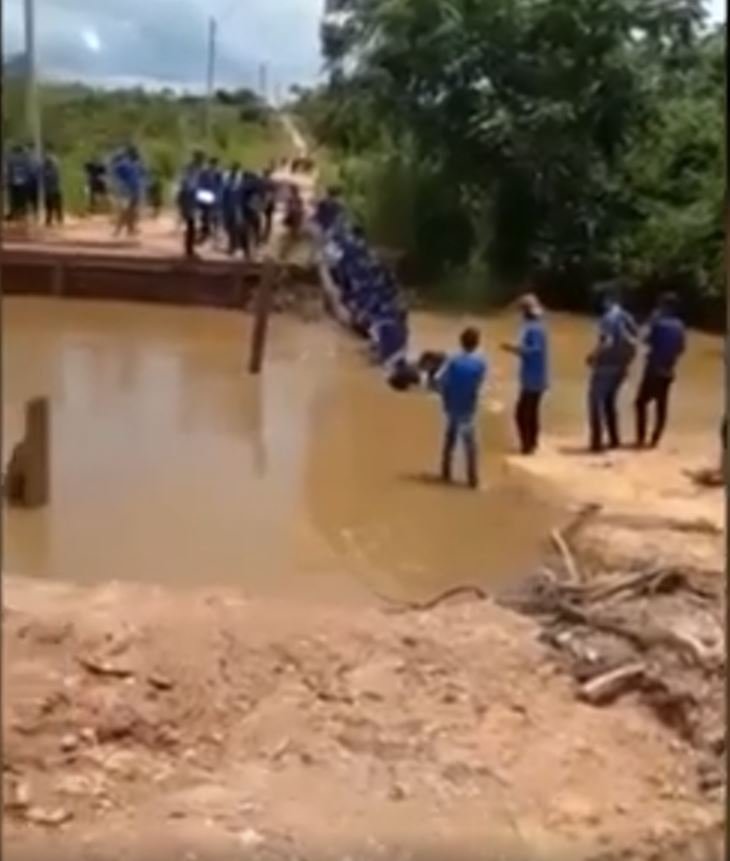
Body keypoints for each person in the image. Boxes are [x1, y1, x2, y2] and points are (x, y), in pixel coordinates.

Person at [586, 284, 639, 452]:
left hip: (605, 366)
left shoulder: (608, 318)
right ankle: (614, 439)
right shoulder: (627, 316)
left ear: (609, 299)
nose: (603, 303)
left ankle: (596, 443)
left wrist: (593, 355)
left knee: (595, 403)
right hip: (622, 367)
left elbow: (607, 342)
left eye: (605, 299)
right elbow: (637, 338)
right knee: (610, 403)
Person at [436, 327, 487, 489]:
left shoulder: (453, 360)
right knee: (470, 445)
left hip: (452, 404)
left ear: (461, 342)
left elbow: (440, 380)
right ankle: (473, 479)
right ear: (477, 343)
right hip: (468, 407)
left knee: (449, 440)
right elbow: (479, 384)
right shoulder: (480, 363)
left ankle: (445, 473)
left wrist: (445, 396)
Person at [634, 293, 687, 449]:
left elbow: (645, 340)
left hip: (653, 370)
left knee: (640, 403)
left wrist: (651, 321)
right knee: (661, 406)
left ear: (664, 306)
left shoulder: (659, 323)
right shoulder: (680, 326)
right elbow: (681, 349)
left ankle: (641, 438)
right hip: (668, 371)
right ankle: (655, 440)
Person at [501, 294, 549, 454]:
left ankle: (527, 445)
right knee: (531, 412)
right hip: (537, 376)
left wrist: (512, 348)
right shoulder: (539, 327)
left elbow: (534, 351)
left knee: (522, 414)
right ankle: (532, 443)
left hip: (532, 378)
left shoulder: (533, 329)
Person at [177, 150, 204, 259]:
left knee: (192, 224)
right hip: (188, 196)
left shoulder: (196, 169)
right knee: (191, 224)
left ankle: (189, 248)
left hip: (191, 196)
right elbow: (185, 184)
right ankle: (189, 249)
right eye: (200, 158)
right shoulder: (190, 168)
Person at [5, 144, 32, 221]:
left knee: (14, 199)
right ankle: (21, 213)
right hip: (23, 182)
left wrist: (8, 181)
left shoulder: (11, 159)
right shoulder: (25, 158)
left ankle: (15, 213)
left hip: (14, 182)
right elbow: (28, 170)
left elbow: (9, 170)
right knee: (22, 200)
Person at [42, 148, 63, 227]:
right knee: (57, 207)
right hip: (55, 191)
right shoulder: (54, 170)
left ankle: (49, 221)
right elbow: (57, 164)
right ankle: (58, 220)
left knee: (49, 208)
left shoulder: (46, 172)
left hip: (49, 192)